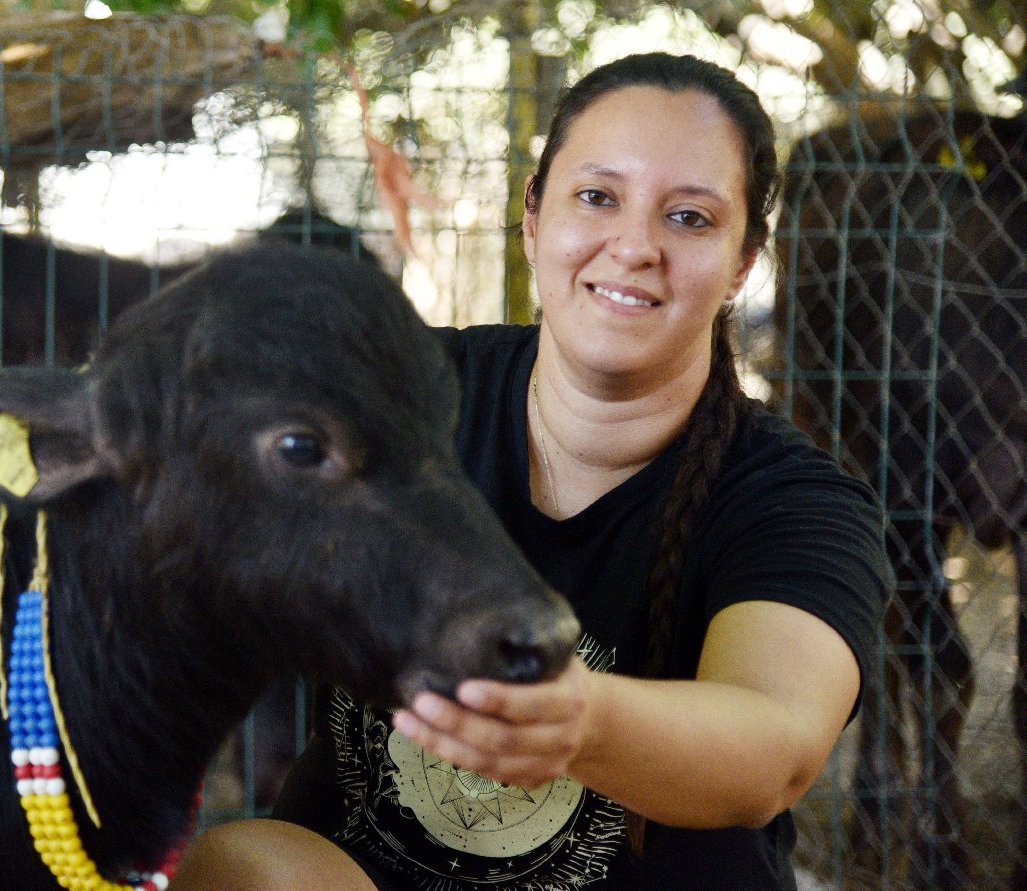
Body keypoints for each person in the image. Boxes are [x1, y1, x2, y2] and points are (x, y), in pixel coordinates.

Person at [171, 51, 886, 890]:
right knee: (245, 863)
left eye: (689, 217)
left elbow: (775, 749)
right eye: (597, 197)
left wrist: (577, 719)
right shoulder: (396, 401)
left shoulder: (794, 500)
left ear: (742, 263)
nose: (635, 246)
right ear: (534, 217)